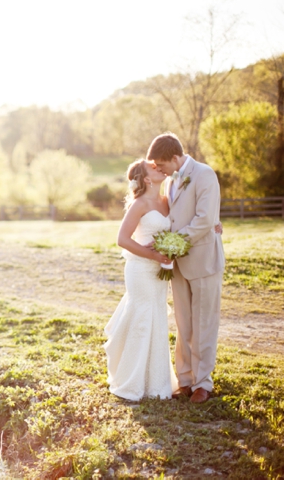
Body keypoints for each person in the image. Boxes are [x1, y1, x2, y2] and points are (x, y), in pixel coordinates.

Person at [147, 132, 225, 404]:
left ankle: (204, 383)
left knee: (204, 323)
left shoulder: (204, 175)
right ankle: (186, 380)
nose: (158, 169)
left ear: (175, 157)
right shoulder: (171, 180)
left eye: (161, 164)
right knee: (183, 324)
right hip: (177, 264)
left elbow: (205, 219)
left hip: (203, 261)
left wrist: (174, 242)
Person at [104, 159, 179, 401]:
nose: (159, 167)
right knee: (143, 318)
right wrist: (153, 254)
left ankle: (156, 383)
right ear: (146, 179)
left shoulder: (167, 200)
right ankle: (131, 382)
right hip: (139, 269)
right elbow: (123, 239)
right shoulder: (140, 204)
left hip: (160, 270)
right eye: (153, 167)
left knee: (156, 317)